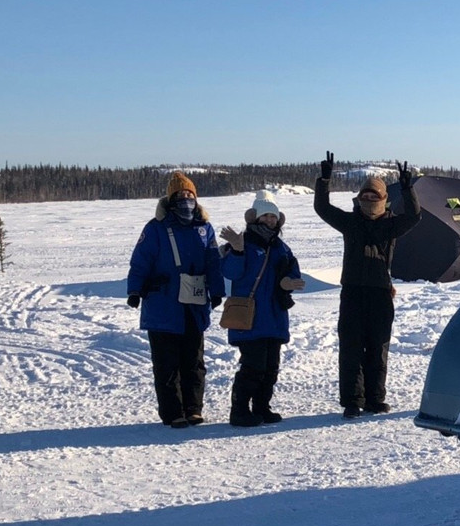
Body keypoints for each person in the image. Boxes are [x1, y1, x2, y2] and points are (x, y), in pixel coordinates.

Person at [313, 153, 421, 419]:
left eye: (375, 197)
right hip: (352, 292)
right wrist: (324, 181)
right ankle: (352, 400)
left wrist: (407, 189)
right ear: (359, 199)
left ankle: (375, 398)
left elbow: (414, 216)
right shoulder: (350, 223)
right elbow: (322, 209)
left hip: (381, 294)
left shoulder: (391, 225)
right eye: (366, 196)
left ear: (384, 200)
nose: (370, 200)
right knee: (351, 347)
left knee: (378, 347)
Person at [127, 171, 225, 428]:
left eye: (189, 194)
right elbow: (140, 261)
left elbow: (213, 262)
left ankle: (193, 408)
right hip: (162, 304)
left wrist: (216, 291)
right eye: (180, 194)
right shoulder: (156, 228)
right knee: (166, 364)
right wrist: (135, 290)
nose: (185, 198)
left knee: (193, 361)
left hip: (193, 304)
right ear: (170, 198)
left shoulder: (204, 228)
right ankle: (173, 413)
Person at [219, 191, 305, 428]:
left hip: (275, 316)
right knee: (253, 366)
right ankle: (239, 410)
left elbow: (291, 271)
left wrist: (288, 282)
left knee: (270, 368)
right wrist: (236, 250)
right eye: (265, 216)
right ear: (254, 218)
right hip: (250, 317)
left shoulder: (281, 248)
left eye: (273, 217)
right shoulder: (242, 243)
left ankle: (261, 407)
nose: (270, 220)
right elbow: (231, 273)